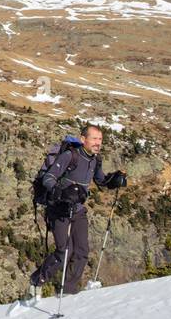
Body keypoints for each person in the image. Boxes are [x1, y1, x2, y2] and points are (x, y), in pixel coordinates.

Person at [29, 124, 126, 300]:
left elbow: (101, 181)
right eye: (95, 139)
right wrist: (61, 192)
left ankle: (68, 291)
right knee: (63, 250)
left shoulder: (95, 160)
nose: (98, 143)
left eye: (100, 139)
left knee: (81, 251)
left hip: (79, 210)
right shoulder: (70, 156)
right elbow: (49, 178)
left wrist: (114, 180)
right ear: (83, 139)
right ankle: (37, 280)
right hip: (59, 209)